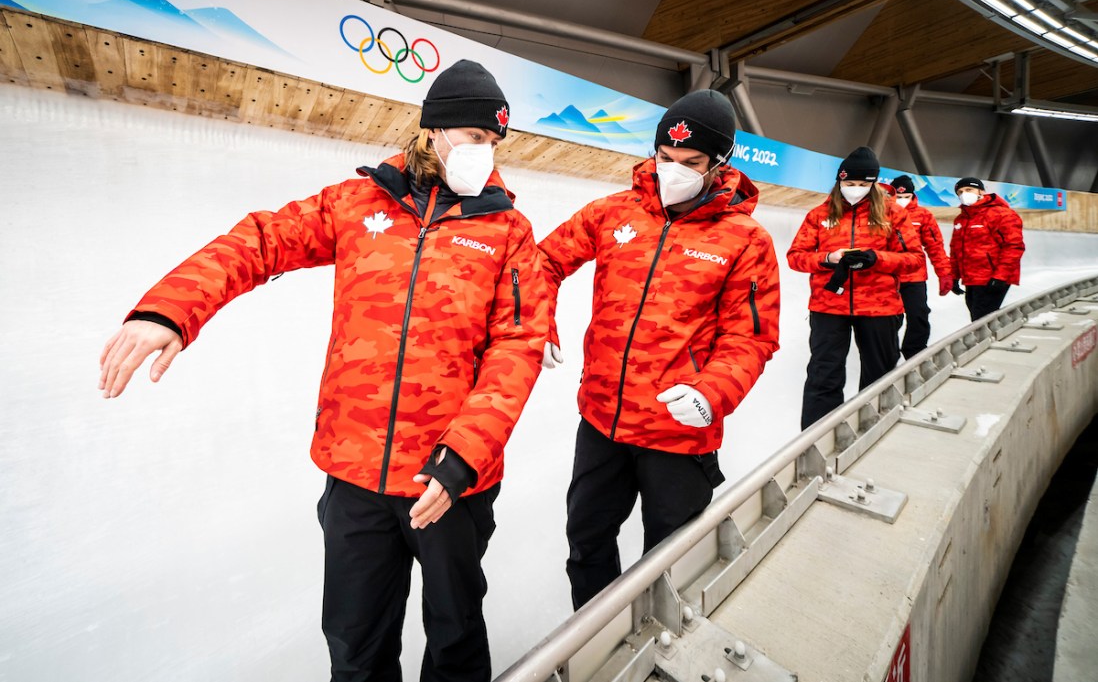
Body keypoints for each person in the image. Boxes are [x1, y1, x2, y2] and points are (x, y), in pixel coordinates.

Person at [97, 59, 549, 682]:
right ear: (435, 131)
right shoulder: (357, 204)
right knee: (355, 647)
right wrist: (172, 308)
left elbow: (517, 348)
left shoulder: (508, 231)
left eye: (494, 143)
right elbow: (261, 239)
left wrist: (464, 455)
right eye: (475, 138)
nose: (486, 154)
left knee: (456, 636)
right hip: (355, 473)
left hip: (450, 481)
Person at [537, 90, 780, 610]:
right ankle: (594, 646)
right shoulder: (612, 213)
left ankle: (664, 649)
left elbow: (751, 337)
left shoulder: (745, 241)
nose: (672, 171)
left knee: (672, 559)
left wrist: (710, 393)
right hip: (602, 421)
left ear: (719, 164)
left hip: (678, 434)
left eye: (689, 164)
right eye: (664, 159)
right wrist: (538, 321)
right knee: (587, 541)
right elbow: (541, 263)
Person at [787, 146, 923, 430]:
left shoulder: (893, 214)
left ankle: (875, 429)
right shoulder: (819, 214)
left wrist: (876, 258)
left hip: (880, 308)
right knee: (824, 374)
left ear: (873, 184)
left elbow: (914, 259)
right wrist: (828, 258)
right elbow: (795, 257)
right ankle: (815, 437)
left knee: (880, 375)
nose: (855, 189)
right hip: (828, 306)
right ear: (839, 182)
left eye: (863, 184)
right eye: (850, 184)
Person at [889, 174, 953, 359]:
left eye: (905, 197)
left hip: (914, 278)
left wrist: (944, 274)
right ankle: (889, 355)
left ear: (912, 195)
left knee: (918, 315)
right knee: (890, 320)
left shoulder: (923, 215)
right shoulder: (882, 212)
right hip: (888, 277)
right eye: (898, 197)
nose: (901, 201)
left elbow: (935, 246)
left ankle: (914, 352)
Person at [949, 176, 1025, 321]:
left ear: (981, 191)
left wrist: (1000, 276)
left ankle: (987, 342)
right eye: (960, 192)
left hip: (992, 277)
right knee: (977, 317)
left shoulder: (1002, 214)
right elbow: (956, 250)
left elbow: (1014, 246)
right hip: (972, 278)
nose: (964, 194)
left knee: (981, 319)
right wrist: (954, 276)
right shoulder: (962, 219)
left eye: (969, 189)